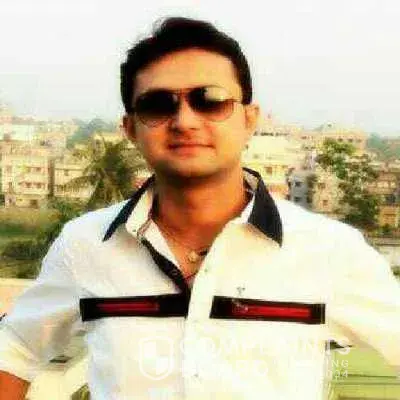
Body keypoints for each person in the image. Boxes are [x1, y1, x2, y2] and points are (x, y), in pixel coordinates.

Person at [0, 17, 399, 400]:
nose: (185, 121)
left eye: (210, 101)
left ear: (249, 119)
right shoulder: (86, 246)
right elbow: (14, 350)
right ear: (130, 128)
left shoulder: (329, 250)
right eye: (158, 104)